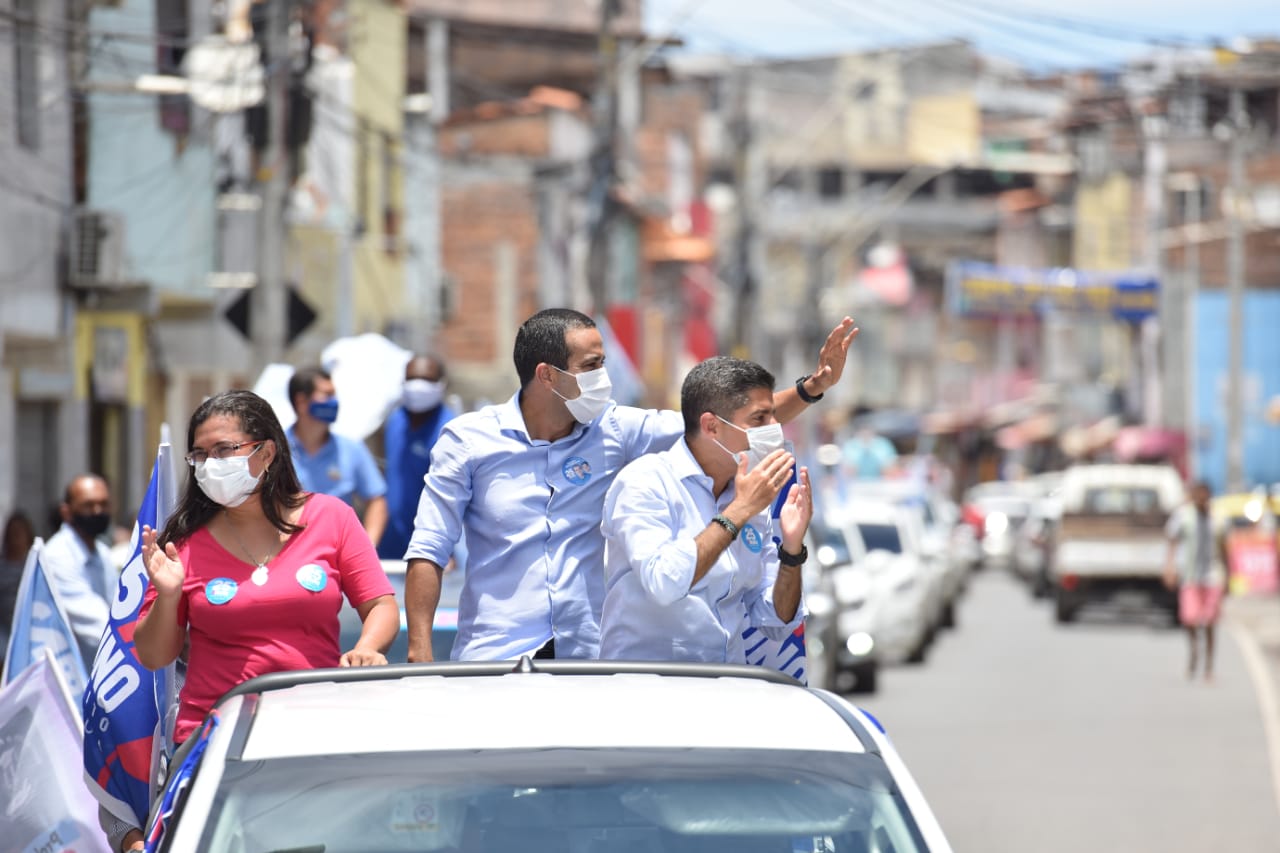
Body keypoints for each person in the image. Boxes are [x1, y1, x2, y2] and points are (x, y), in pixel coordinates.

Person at [405, 308, 857, 662]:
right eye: (592, 365)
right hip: (496, 655)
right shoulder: (467, 441)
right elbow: (429, 548)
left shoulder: (614, 429)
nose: (603, 377)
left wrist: (812, 388)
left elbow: (725, 424)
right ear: (547, 375)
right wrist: (420, 651)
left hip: (585, 659)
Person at [599, 357, 811, 662]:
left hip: (726, 680)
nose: (775, 429)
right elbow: (664, 583)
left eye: (774, 417)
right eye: (759, 419)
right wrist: (738, 512)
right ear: (712, 426)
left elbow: (775, 621)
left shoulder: (748, 497)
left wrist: (792, 551)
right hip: (648, 682)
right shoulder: (645, 481)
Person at [286, 366, 389, 546]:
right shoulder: (274, 449)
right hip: (287, 552)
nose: (335, 402)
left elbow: (376, 501)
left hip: (336, 554)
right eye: (327, 395)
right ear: (301, 402)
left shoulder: (352, 449)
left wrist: (367, 546)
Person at [378, 355, 456, 561]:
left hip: (433, 546)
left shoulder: (451, 430)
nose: (418, 386)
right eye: (412, 378)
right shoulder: (395, 420)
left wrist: (451, 551)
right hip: (391, 541)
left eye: (426, 379)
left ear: (442, 384)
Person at [40, 475, 118, 666]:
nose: (97, 511)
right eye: (88, 505)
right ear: (66, 512)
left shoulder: (102, 552)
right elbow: (98, 626)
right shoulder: (57, 556)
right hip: (68, 675)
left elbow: (119, 605)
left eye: (103, 504)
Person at [1163, 481, 1228, 682]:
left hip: (1213, 575)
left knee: (1209, 621)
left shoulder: (1218, 518)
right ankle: (1194, 651)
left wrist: (1229, 577)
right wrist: (1169, 566)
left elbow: (1225, 548)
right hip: (1190, 576)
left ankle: (1208, 666)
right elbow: (1172, 540)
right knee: (1189, 618)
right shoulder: (1184, 516)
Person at [0, 511, 36, 659]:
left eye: (19, 533)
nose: (15, 538)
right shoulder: (2, 567)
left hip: (30, 626)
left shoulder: (34, 565)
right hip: (4, 628)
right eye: (12, 533)